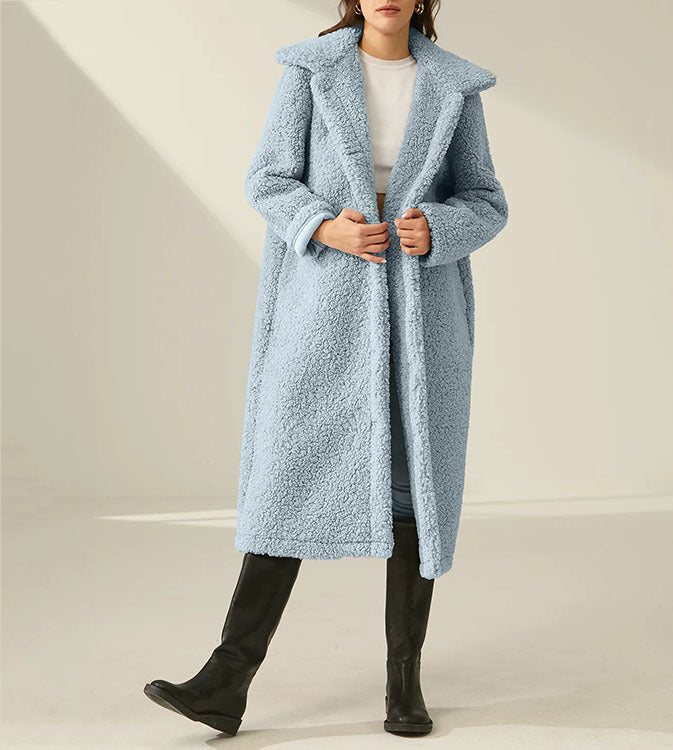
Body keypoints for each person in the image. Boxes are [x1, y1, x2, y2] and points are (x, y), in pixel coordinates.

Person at [144, 0, 508, 738]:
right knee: (287, 477)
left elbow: (486, 200)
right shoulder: (310, 71)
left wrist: (438, 227)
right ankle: (226, 679)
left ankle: (403, 684)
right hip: (326, 309)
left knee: (415, 487)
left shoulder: (455, 85)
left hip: (423, 315)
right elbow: (269, 179)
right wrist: (323, 225)